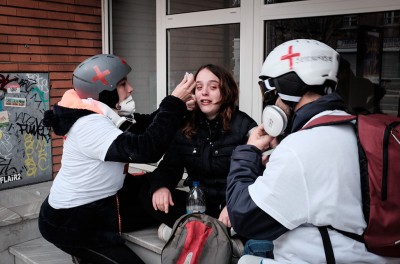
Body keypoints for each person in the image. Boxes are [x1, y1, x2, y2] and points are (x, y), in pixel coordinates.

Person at [226, 39, 400, 263]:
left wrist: (248, 151)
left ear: (286, 87)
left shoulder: (301, 148)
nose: (272, 102)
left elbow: (244, 216)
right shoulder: (355, 128)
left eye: (271, 93)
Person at [38, 54, 195, 264]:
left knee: (150, 191)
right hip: (73, 222)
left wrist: (180, 109)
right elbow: (146, 149)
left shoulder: (97, 111)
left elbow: (144, 126)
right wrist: (174, 103)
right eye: (122, 84)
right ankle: (84, 254)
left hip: (102, 202)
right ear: (103, 92)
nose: (130, 88)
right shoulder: (89, 125)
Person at [139, 64, 257, 237]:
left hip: (231, 207)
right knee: (146, 190)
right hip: (198, 206)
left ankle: (188, 232)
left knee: (255, 216)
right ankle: (211, 234)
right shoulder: (186, 124)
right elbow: (170, 166)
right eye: (199, 87)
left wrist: (234, 205)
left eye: (213, 87)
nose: (204, 92)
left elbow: (256, 177)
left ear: (226, 91)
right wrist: (161, 187)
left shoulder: (244, 125)